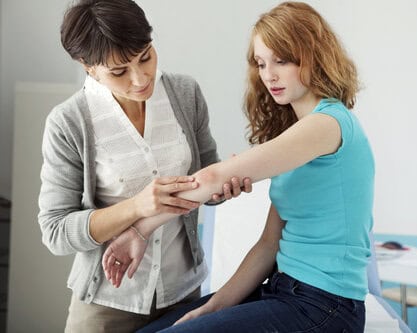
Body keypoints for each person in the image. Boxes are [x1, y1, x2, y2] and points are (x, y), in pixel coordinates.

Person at [104, 2, 375, 332]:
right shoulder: (296, 142)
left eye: (282, 60)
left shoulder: (328, 124)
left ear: (313, 55)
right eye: (261, 63)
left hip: (326, 307)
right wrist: (213, 308)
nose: (268, 75)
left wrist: (140, 229)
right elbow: (268, 246)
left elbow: (215, 176)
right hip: (281, 290)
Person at [37, 0, 251, 332]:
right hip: (108, 304)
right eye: (119, 71)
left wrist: (224, 185)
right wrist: (137, 206)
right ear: (87, 65)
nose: (140, 79)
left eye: (146, 57)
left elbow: (207, 178)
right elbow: (56, 233)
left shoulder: (185, 94)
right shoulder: (69, 122)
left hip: (183, 293)